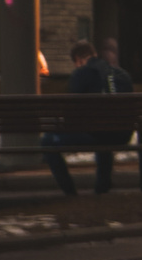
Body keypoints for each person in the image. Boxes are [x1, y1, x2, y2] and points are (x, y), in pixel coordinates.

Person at [41, 39, 135, 197]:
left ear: (78, 60)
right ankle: (102, 188)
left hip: (95, 134)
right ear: (94, 55)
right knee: (104, 133)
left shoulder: (81, 74)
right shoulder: (122, 74)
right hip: (122, 134)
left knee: (47, 141)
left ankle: (70, 192)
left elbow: (70, 112)